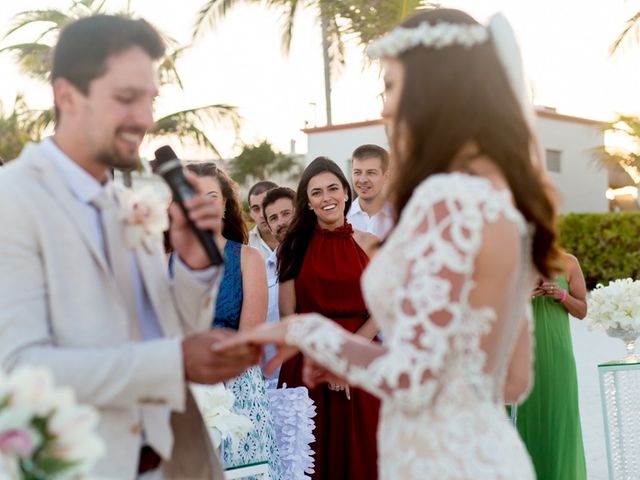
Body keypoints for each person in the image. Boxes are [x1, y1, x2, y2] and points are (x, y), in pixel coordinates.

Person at [215, 8, 560, 480]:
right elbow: (512, 380)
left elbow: (415, 377)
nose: (384, 108)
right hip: (482, 453)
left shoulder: (444, 200)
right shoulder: (495, 196)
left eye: (391, 88)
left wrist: (310, 337)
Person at [0, 15, 260, 480]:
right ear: (66, 95)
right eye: (126, 99)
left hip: (174, 460)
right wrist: (176, 360)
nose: (145, 119)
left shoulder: (129, 204)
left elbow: (163, 333)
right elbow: (20, 371)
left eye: (150, 100)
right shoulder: (13, 201)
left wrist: (193, 266)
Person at [274, 157, 380, 480]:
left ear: (346, 193)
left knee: (362, 460)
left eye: (333, 188)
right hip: (307, 366)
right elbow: (288, 315)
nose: (327, 197)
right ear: (307, 202)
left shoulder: (371, 244)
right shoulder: (292, 246)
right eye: (316, 192)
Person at [185, 163, 282, 479]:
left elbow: (249, 338)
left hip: (236, 388)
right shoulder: (166, 260)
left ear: (226, 204)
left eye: (212, 195)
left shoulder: (247, 258)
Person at [516, 252, 588, 479]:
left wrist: (563, 296)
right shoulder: (511, 259)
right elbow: (493, 312)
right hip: (519, 357)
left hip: (557, 357)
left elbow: (582, 311)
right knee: (521, 422)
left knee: (560, 422)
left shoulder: (569, 263)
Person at [261, 186, 296, 382]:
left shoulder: (318, 261)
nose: (281, 222)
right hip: (274, 382)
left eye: (286, 214)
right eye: (273, 218)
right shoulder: (263, 272)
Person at [346, 144, 394, 239]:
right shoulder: (342, 218)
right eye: (357, 172)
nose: (362, 180)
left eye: (371, 173)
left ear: (386, 177)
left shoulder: (399, 217)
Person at [248, 180, 279, 259]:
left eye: (266, 206)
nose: (262, 215)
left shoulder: (301, 239)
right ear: (250, 212)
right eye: (256, 209)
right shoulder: (244, 244)